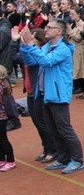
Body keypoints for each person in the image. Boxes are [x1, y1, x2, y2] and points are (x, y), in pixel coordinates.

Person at [18, 22, 84, 175]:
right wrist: (25, 46)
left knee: (64, 129)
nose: (45, 30)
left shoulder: (63, 49)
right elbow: (32, 62)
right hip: (46, 94)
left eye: (49, 28)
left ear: (59, 31)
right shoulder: (47, 47)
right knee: (53, 129)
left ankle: (77, 159)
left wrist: (31, 45)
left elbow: (46, 61)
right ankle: (63, 158)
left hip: (57, 95)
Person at [20, 28, 57, 163]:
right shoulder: (30, 50)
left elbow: (31, 61)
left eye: (33, 41)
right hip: (31, 92)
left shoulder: (40, 53)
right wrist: (20, 44)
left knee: (44, 123)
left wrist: (27, 46)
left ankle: (53, 149)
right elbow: (18, 57)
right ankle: (46, 148)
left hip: (39, 92)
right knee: (37, 123)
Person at [0, 65, 16, 171]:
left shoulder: (1, 86)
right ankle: (1, 159)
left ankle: (11, 160)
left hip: (1, 117)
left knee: (3, 139)